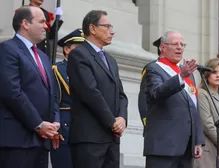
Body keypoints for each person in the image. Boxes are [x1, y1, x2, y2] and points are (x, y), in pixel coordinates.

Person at [0, 5, 61, 168]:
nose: (46, 26)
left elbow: (52, 93)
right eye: (41, 21)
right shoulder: (8, 49)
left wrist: (55, 121)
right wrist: (38, 124)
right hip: (18, 140)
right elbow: (12, 92)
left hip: (42, 140)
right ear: (25, 24)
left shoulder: (43, 56)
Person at [67, 10, 128, 168]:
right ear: (92, 28)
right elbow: (90, 92)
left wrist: (122, 118)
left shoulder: (111, 60)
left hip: (112, 138)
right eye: (107, 26)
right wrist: (112, 122)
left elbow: (121, 94)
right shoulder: (79, 55)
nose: (112, 31)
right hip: (90, 138)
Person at [143, 30, 205, 168]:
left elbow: (193, 107)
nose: (179, 47)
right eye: (175, 44)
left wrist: (197, 140)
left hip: (186, 147)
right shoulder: (154, 69)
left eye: (182, 44)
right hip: (163, 146)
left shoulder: (187, 74)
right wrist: (180, 77)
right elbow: (157, 94)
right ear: (162, 47)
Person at [51, 28, 85, 168]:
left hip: (85, 130)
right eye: (77, 49)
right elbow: (52, 101)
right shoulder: (56, 69)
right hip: (65, 128)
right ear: (66, 49)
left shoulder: (89, 70)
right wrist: (55, 127)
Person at [138, 37, 161, 129]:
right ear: (162, 48)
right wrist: (146, 119)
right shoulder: (152, 67)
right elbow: (144, 95)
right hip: (157, 123)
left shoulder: (179, 69)